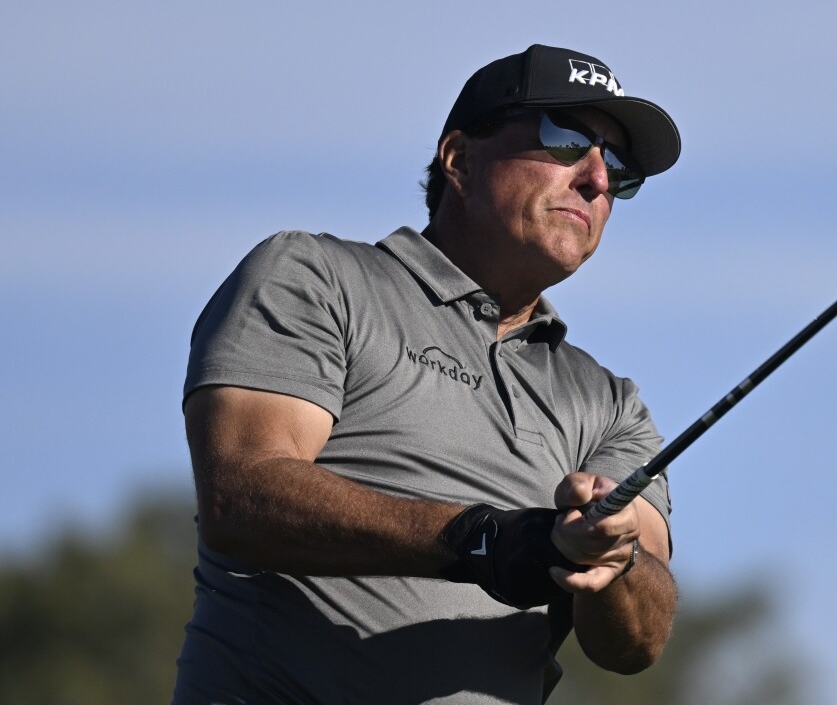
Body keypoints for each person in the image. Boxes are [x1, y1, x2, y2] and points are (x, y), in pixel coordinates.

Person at [172, 44, 681, 704]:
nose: (597, 178)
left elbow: (636, 643)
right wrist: (481, 541)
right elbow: (241, 496)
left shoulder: (610, 403)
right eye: (565, 139)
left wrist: (615, 563)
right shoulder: (316, 277)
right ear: (460, 159)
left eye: (618, 164)